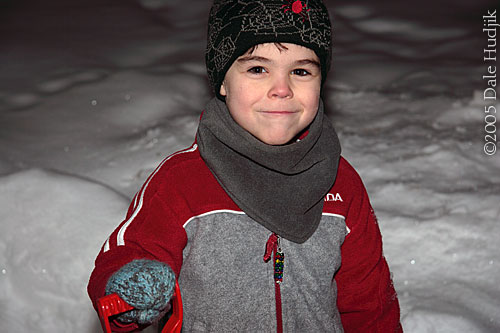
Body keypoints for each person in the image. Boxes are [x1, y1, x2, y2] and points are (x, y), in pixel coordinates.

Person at [87, 0, 402, 332]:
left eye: (301, 71)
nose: (281, 89)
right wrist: (132, 290)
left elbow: (369, 304)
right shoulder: (182, 183)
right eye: (257, 69)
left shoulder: (340, 182)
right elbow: (128, 256)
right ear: (223, 81)